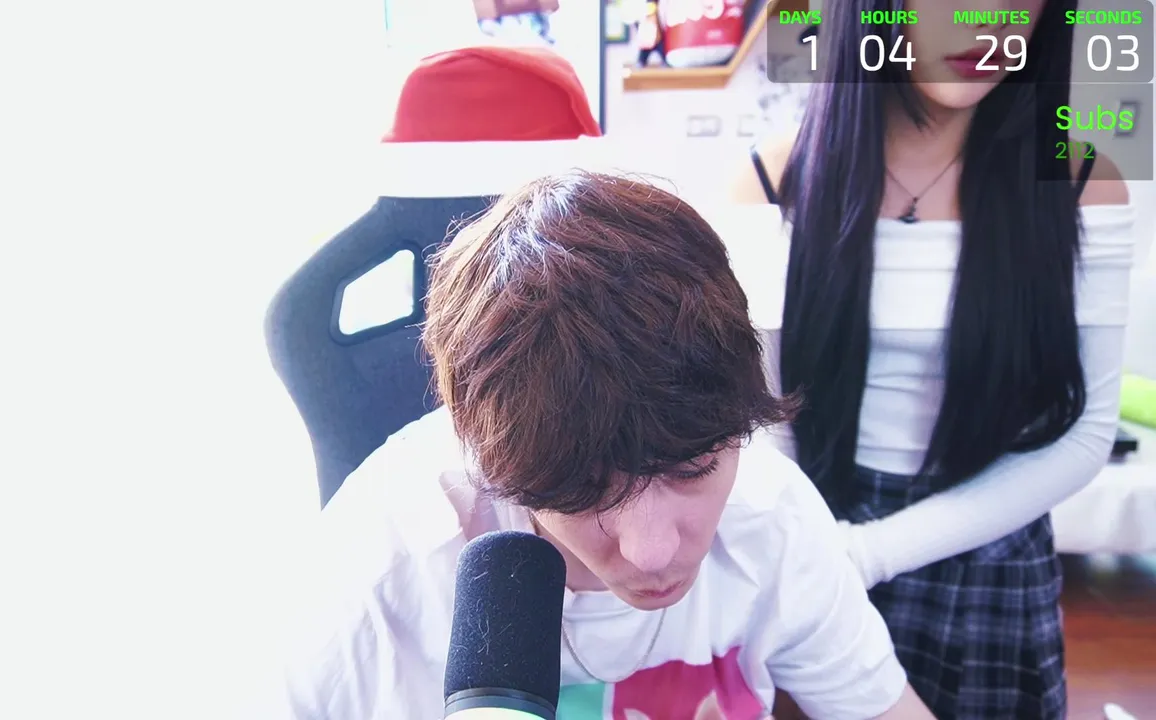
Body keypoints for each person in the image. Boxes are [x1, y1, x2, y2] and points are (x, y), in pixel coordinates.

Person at [282, 171, 937, 719]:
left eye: (694, 467)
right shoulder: (379, 574)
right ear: (491, 460)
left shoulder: (773, 523)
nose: (652, 552)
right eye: (585, 490)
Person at [729, 0, 1135, 717]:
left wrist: (870, 552)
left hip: (990, 550)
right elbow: (761, 416)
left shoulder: (1080, 180)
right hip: (816, 536)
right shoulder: (768, 180)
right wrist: (818, 548)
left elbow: (1084, 433)